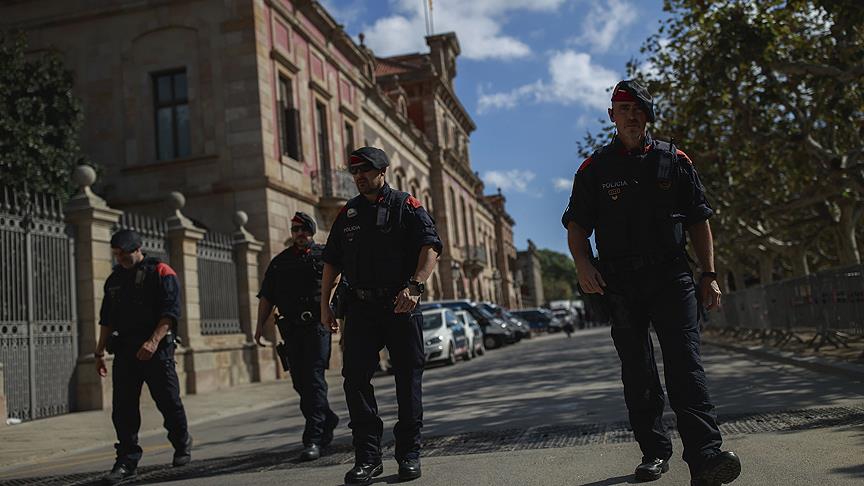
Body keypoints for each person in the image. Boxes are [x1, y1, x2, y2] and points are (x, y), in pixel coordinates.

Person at [562, 80, 741, 486]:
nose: (631, 116)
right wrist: (582, 264)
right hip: (620, 283)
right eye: (622, 109)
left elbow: (698, 219)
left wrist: (709, 274)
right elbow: (577, 226)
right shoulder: (595, 169)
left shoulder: (674, 160)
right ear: (611, 116)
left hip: (671, 276)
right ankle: (654, 452)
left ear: (647, 116)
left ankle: (706, 455)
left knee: (685, 363)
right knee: (638, 370)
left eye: (638, 109)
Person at [321, 146, 442, 485]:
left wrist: (415, 286)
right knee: (355, 380)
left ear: (383, 171)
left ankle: (409, 454)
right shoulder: (348, 213)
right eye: (355, 172)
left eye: (366, 171)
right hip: (359, 309)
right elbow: (332, 260)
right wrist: (324, 305)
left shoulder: (406, 205)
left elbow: (430, 246)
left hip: (399, 306)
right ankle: (368, 458)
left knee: (407, 379)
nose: (359, 177)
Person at [95, 229, 192, 485]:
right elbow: (106, 320)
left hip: (157, 350)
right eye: (116, 255)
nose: (120, 259)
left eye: (124, 254)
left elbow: (170, 313)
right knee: (123, 408)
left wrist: (153, 342)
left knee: (168, 401)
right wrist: (99, 351)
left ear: (138, 249)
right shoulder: (114, 280)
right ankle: (126, 460)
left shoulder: (161, 272)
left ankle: (181, 442)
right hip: (126, 351)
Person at [254, 211, 339, 461]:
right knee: (300, 383)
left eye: (303, 230)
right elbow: (266, 296)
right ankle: (328, 419)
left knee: (313, 380)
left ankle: (313, 438)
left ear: (311, 232)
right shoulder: (280, 262)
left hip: (316, 328)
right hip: (291, 331)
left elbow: (339, 284)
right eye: (295, 230)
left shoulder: (325, 256)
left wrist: (338, 318)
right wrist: (259, 327)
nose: (299, 234)